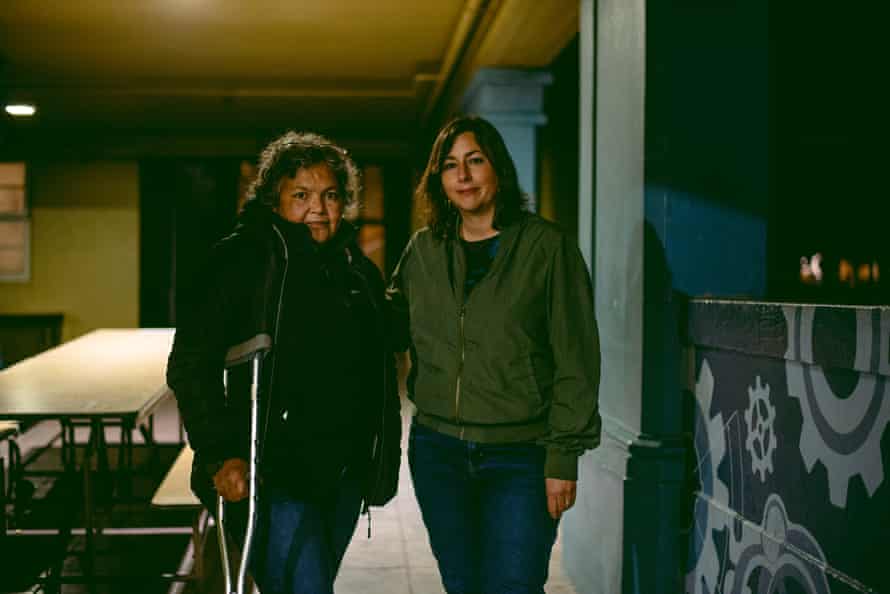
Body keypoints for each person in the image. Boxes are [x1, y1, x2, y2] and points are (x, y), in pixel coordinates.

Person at [167, 131, 401, 594]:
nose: (319, 207)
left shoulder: (356, 269)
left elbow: (388, 348)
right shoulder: (239, 260)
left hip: (342, 471)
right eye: (302, 195)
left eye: (331, 195)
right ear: (275, 200)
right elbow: (191, 363)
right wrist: (218, 454)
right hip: (270, 472)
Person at [387, 115, 601, 594]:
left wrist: (562, 458)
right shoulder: (424, 251)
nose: (463, 176)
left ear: (497, 168)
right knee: (463, 584)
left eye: (475, 161)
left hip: (521, 455)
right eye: (450, 165)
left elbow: (577, 360)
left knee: (514, 584)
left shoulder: (547, 249)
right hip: (438, 449)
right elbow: (388, 326)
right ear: (438, 181)